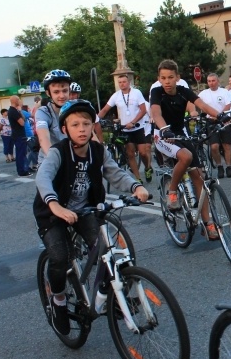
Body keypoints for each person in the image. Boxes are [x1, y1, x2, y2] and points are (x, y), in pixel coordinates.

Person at [33, 99, 149, 335]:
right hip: (54, 214)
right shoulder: (58, 153)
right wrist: (55, 206)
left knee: (105, 252)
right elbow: (43, 179)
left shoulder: (98, 151)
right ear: (65, 129)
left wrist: (136, 187)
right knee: (59, 257)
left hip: (86, 209)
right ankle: (59, 302)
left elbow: (115, 173)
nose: (82, 129)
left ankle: (113, 298)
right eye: (75, 125)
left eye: (87, 123)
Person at [150, 59, 225, 239]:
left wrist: (222, 116)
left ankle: (208, 224)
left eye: (170, 77)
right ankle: (173, 191)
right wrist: (163, 129)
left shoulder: (183, 91)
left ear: (177, 78)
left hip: (180, 133)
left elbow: (203, 106)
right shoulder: (156, 92)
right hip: (162, 135)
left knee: (199, 176)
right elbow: (156, 114)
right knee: (186, 156)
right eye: (163, 78)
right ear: (159, 79)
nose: (167, 81)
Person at [99, 74, 152, 184]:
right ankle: (138, 178)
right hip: (125, 130)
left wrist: (133, 122)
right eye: (120, 82)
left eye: (124, 82)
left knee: (143, 153)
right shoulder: (116, 96)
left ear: (128, 83)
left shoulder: (136, 93)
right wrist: (94, 120)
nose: (122, 84)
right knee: (130, 154)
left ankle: (147, 168)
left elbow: (143, 110)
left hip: (138, 128)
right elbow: (104, 110)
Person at [198, 73, 231, 178]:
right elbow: (196, 103)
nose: (211, 83)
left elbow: (228, 105)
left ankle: (228, 167)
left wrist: (220, 116)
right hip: (211, 122)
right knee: (214, 147)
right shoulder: (203, 94)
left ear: (218, 81)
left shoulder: (224, 92)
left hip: (224, 121)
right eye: (209, 81)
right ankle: (219, 166)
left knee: (226, 145)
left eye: (213, 81)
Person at [35, 70, 73, 166]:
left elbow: (91, 135)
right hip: (50, 161)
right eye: (56, 92)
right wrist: (56, 160)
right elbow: (43, 138)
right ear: (48, 93)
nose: (62, 96)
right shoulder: (43, 112)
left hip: (73, 161)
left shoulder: (76, 109)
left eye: (65, 91)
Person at [7, 95, 30, 176]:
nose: (20, 101)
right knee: (21, 153)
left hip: (18, 135)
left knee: (22, 153)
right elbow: (22, 122)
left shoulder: (13, 111)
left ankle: (23, 169)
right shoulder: (13, 111)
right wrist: (20, 111)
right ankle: (22, 170)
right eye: (19, 99)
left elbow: (23, 120)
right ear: (15, 101)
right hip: (19, 135)